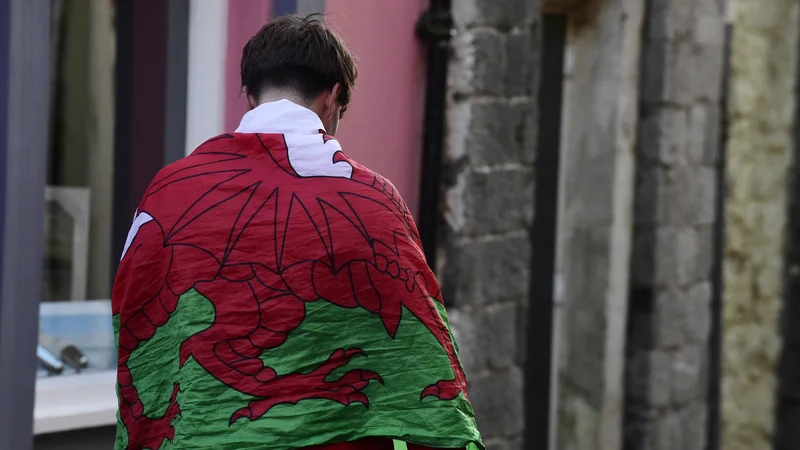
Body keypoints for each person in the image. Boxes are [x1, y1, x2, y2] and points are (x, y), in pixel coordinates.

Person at [111, 14, 483, 450]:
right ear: (333, 97)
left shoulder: (170, 194)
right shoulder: (373, 201)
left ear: (250, 97)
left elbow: (136, 325)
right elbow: (421, 359)